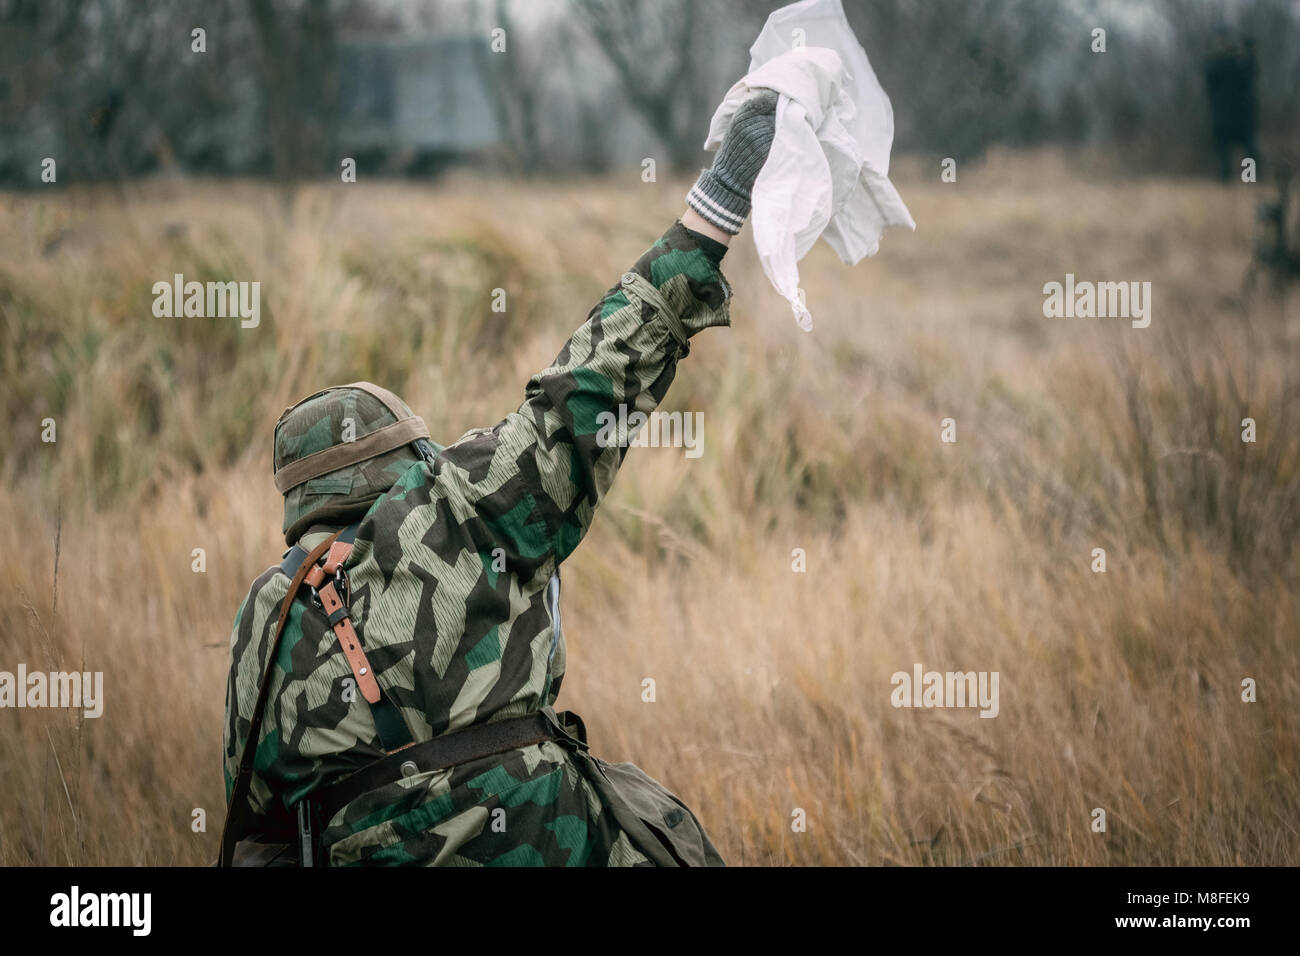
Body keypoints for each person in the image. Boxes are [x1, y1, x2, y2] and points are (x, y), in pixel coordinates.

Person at [219, 91, 779, 866]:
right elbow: (589, 386)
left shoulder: (266, 617)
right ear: (406, 465)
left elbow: (257, 829)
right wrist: (717, 203)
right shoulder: (452, 512)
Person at [1204, 28, 1260, 182]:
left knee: (1224, 152)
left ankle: (1226, 180)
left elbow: (1208, 84)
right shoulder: (1241, 65)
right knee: (1249, 149)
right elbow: (1252, 77)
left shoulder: (1216, 65)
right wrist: (1249, 53)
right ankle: (1251, 178)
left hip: (1224, 116)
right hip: (1242, 116)